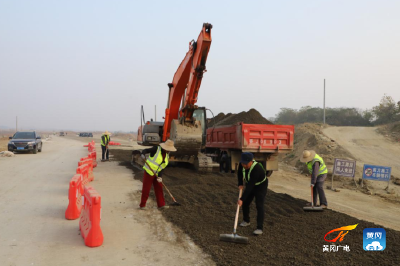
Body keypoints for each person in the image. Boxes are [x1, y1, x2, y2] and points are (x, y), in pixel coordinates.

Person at [134, 139, 177, 210]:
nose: (169, 151)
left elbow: (162, 167)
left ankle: (161, 205)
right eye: (168, 149)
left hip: (157, 174)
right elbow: (146, 151)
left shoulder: (167, 155)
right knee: (146, 189)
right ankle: (142, 205)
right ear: (164, 147)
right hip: (149, 172)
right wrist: (142, 154)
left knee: (159, 188)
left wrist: (160, 177)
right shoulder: (156, 149)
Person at [237, 152, 269, 235]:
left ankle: (259, 228)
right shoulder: (242, 164)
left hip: (260, 186)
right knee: (246, 203)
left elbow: (250, 186)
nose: (244, 165)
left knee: (259, 205)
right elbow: (239, 173)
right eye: (243, 163)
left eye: (246, 163)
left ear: (251, 161)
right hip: (250, 184)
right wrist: (240, 183)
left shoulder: (257, 168)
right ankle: (246, 220)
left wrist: (241, 199)